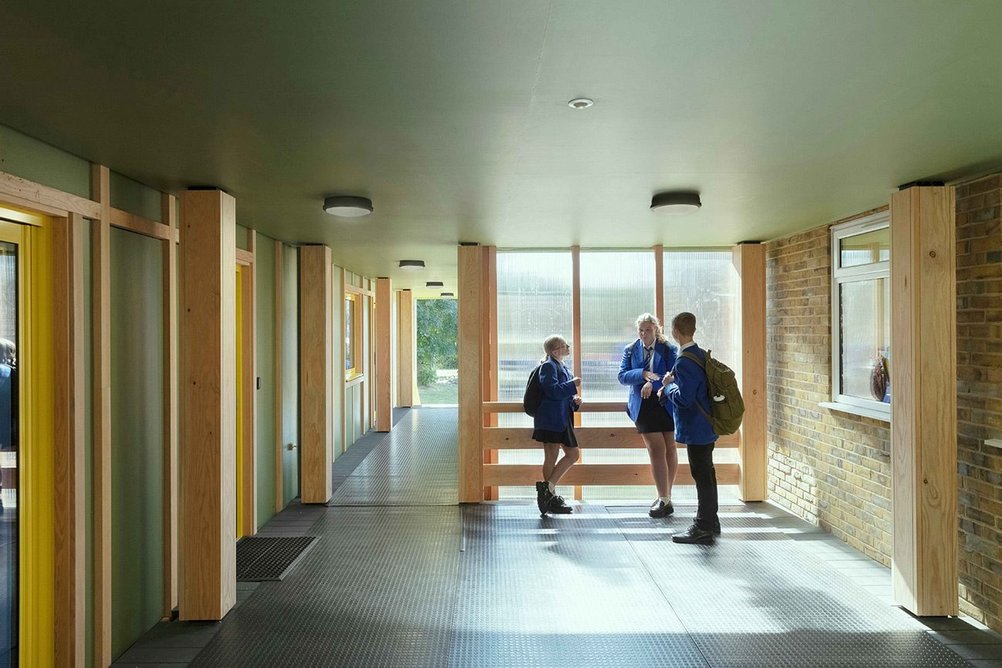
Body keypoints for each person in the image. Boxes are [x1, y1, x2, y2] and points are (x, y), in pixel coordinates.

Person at [659, 312, 719, 544]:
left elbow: (684, 398)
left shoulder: (684, 360)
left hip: (696, 427)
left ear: (675, 331)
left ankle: (703, 526)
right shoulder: (700, 354)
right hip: (707, 424)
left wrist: (667, 388)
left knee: (702, 475)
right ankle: (711, 520)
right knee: (707, 473)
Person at [618, 313, 678, 518]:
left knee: (670, 447)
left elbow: (674, 373)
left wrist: (654, 383)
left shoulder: (669, 348)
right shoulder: (630, 349)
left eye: (648, 330)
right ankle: (664, 498)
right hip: (643, 404)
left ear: (656, 330)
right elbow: (622, 376)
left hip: (665, 401)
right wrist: (642, 375)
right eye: (641, 330)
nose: (644, 334)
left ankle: (665, 497)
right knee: (656, 448)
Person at [532, 334, 582, 515]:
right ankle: (549, 494)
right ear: (555, 351)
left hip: (561, 418)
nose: (568, 347)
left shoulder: (560, 366)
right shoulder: (547, 366)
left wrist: (574, 399)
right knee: (552, 455)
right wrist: (572, 385)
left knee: (572, 453)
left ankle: (548, 490)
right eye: (564, 345)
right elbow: (552, 391)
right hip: (550, 419)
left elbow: (561, 394)